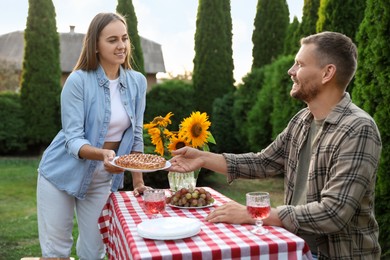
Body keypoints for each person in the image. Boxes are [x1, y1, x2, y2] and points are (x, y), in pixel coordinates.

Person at [169, 31, 382, 259]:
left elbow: (333, 213)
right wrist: (203, 158)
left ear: (327, 73)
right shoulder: (302, 120)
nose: (290, 71)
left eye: (299, 64)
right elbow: (263, 162)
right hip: (294, 247)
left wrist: (254, 213)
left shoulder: (358, 128)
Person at [37, 13, 149, 260]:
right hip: (61, 174)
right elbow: (73, 139)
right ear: (95, 45)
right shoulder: (77, 81)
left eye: (124, 38)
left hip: (103, 178)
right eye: (112, 40)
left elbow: (136, 134)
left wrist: (138, 181)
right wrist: (104, 154)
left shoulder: (138, 82)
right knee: (56, 251)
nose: (121, 45)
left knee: (95, 250)